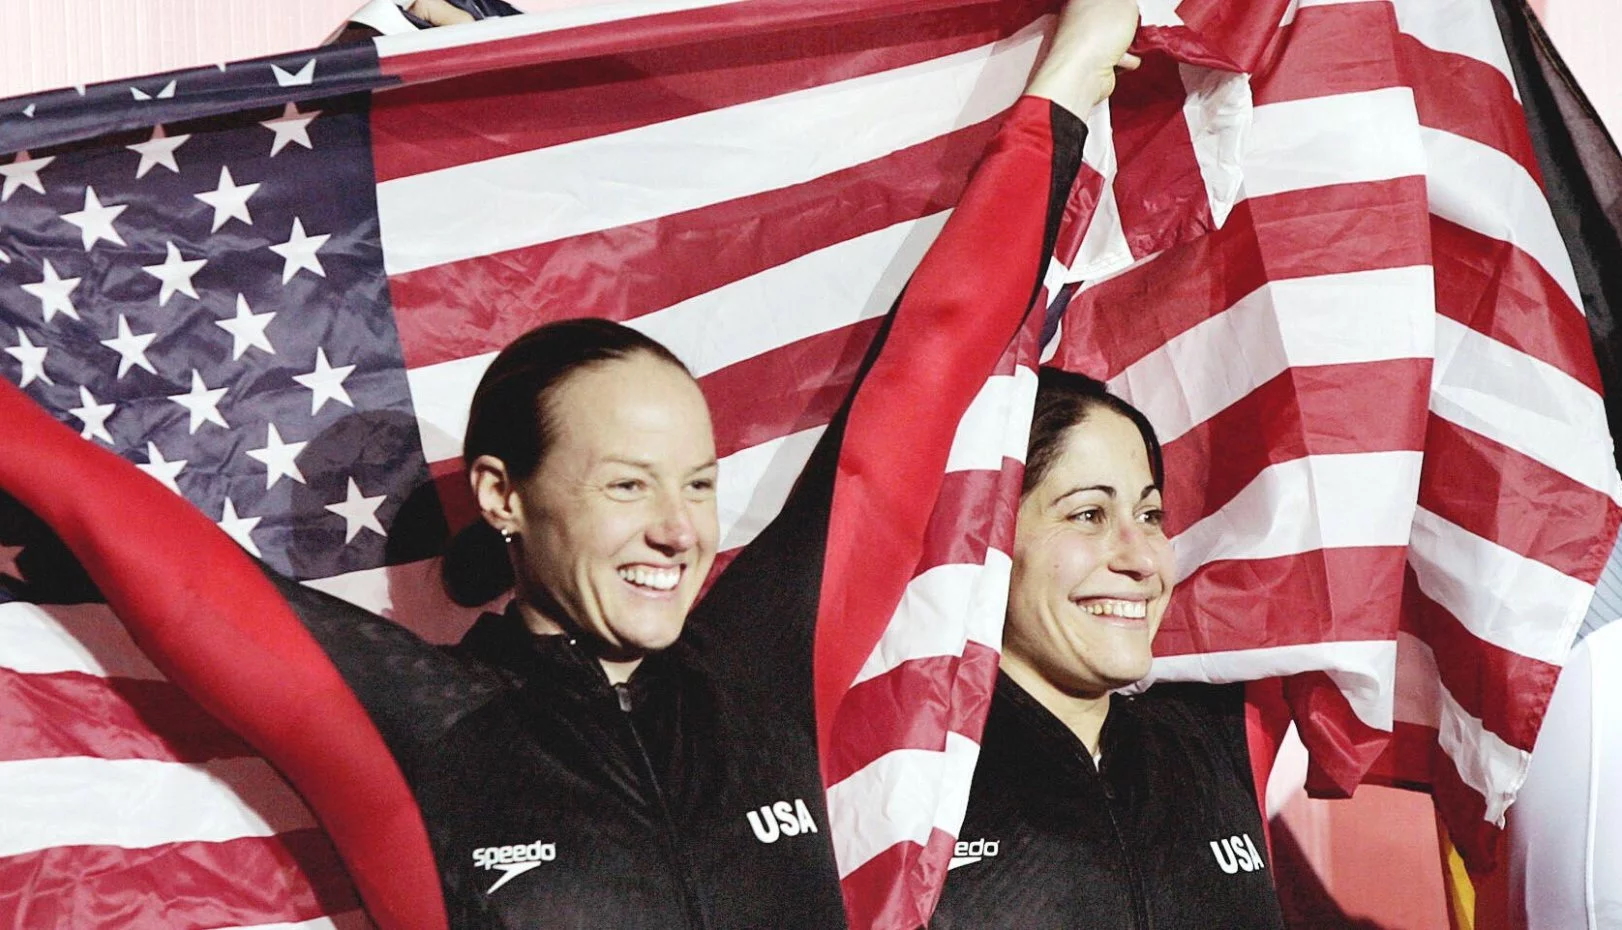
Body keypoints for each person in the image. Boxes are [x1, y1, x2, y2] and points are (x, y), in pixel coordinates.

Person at [0, 0, 1144, 926]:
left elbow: (924, 375)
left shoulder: (762, 669)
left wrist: (1065, 80)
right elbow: (121, 526)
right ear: (504, 495)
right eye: (625, 485)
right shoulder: (419, 723)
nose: (677, 530)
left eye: (697, 484)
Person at [926, 369, 1287, 927]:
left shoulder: (1214, 743)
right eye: (1088, 515)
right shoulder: (909, 768)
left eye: (1150, 516)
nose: (1141, 559)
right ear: (985, 537)